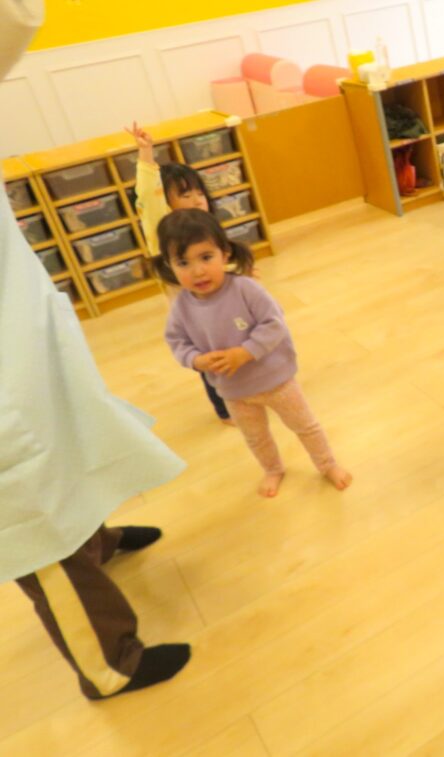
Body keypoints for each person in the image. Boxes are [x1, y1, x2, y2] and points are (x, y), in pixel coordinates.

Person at [2, 6, 190, 699]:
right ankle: (111, 664)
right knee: (27, 501)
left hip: (17, 323)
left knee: (62, 433)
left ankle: (94, 540)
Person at [158, 209, 352, 498]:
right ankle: (273, 469)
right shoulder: (181, 308)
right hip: (234, 392)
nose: (197, 271)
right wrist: (196, 360)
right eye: (183, 262)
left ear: (224, 253)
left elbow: (274, 324)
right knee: (256, 438)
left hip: (276, 381)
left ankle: (328, 464)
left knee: (305, 426)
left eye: (206, 257)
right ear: (169, 265)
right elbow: (177, 342)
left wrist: (245, 352)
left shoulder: (245, 288)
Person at [127, 121, 235, 424]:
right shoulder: (163, 233)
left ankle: (245, 392)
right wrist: (146, 155)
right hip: (195, 318)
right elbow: (148, 198)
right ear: (166, 203)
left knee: (235, 350)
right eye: (186, 195)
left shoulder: (207, 228)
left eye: (200, 192)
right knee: (210, 362)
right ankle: (225, 410)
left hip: (224, 307)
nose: (198, 199)